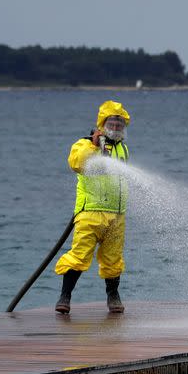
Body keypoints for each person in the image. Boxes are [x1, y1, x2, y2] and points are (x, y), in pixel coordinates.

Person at [54, 100, 131, 314]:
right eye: (112, 123)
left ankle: (113, 296)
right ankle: (65, 296)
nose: (116, 128)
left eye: (120, 125)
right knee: (79, 255)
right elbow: (76, 164)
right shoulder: (84, 144)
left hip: (117, 215)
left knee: (113, 259)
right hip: (90, 213)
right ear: (102, 124)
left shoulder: (122, 149)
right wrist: (93, 146)